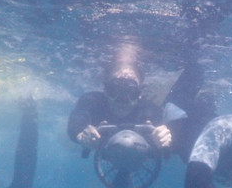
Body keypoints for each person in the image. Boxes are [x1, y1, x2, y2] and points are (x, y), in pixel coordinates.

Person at [68, 58, 215, 163]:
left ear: (139, 93)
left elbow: (165, 135)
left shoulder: (149, 110)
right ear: (105, 90)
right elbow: (77, 120)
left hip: (142, 151)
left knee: (177, 109)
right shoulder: (92, 101)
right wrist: (80, 135)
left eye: (130, 92)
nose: (122, 99)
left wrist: (166, 139)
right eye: (115, 90)